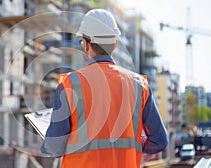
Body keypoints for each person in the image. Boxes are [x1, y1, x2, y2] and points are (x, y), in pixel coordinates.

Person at [41, 9, 168, 168]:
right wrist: (133, 141)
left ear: (86, 44)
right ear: (115, 44)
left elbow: (54, 148)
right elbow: (160, 141)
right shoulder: (139, 85)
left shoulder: (70, 84)